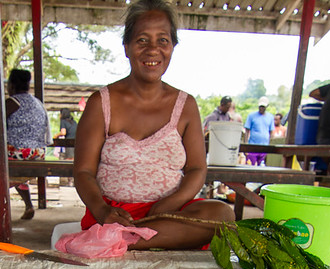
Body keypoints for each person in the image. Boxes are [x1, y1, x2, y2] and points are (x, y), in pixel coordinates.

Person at [73, 0, 234, 250]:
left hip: (170, 215)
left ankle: (124, 241)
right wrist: (102, 210)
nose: (153, 50)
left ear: (172, 47)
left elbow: (197, 170)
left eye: (163, 40)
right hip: (114, 215)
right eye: (142, 40)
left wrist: (170, 204)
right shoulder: (101, 103)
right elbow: (83, 172)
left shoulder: (186, 105)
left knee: (222, 214)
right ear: (126, 47)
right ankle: (136, 237)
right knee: (117, 225)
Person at [6, 68, 50, 220]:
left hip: (19, 152)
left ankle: (3, 207)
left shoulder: (11, 103)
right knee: (16, 171)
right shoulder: (37, 102)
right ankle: (28, 205)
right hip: (38, 152)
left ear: (11, 85)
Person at [243, 96, 273, 166]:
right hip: (253, 146)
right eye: (260, 106)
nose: (261, 108)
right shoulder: (251, 116)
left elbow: (271, 132)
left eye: (263, 107)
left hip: (264, 147)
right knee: (250, 166)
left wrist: (269, 146)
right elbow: (247, 131)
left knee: (262, 166)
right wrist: (246, 145)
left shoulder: (270, 117)